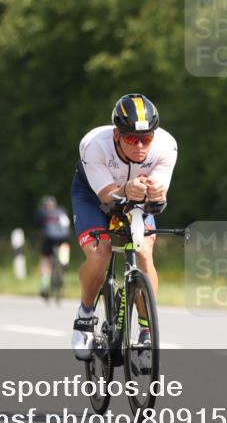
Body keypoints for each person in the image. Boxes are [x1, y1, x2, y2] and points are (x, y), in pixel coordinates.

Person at [70, 93, 177, 360]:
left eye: (147, 138)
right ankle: (84, 315)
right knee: (101, 252)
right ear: (117, 135)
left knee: (143, 252)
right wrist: (127, 189)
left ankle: (145, 331)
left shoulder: (166, 145)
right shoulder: (94, 144)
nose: (141, 146)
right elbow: (106, 196)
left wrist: (157, 194)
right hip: (93, 196)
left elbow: (160, 195)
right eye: (132, 139)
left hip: (136, 199)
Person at [35, 196, 71, 299]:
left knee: (46, 260)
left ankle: (44, 286)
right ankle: (64, 263)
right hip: (63, 237)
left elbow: (37, 225)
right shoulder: (62, 211)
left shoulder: (42, 212)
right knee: (65, 245)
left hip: (48, 238)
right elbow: (67, 226)